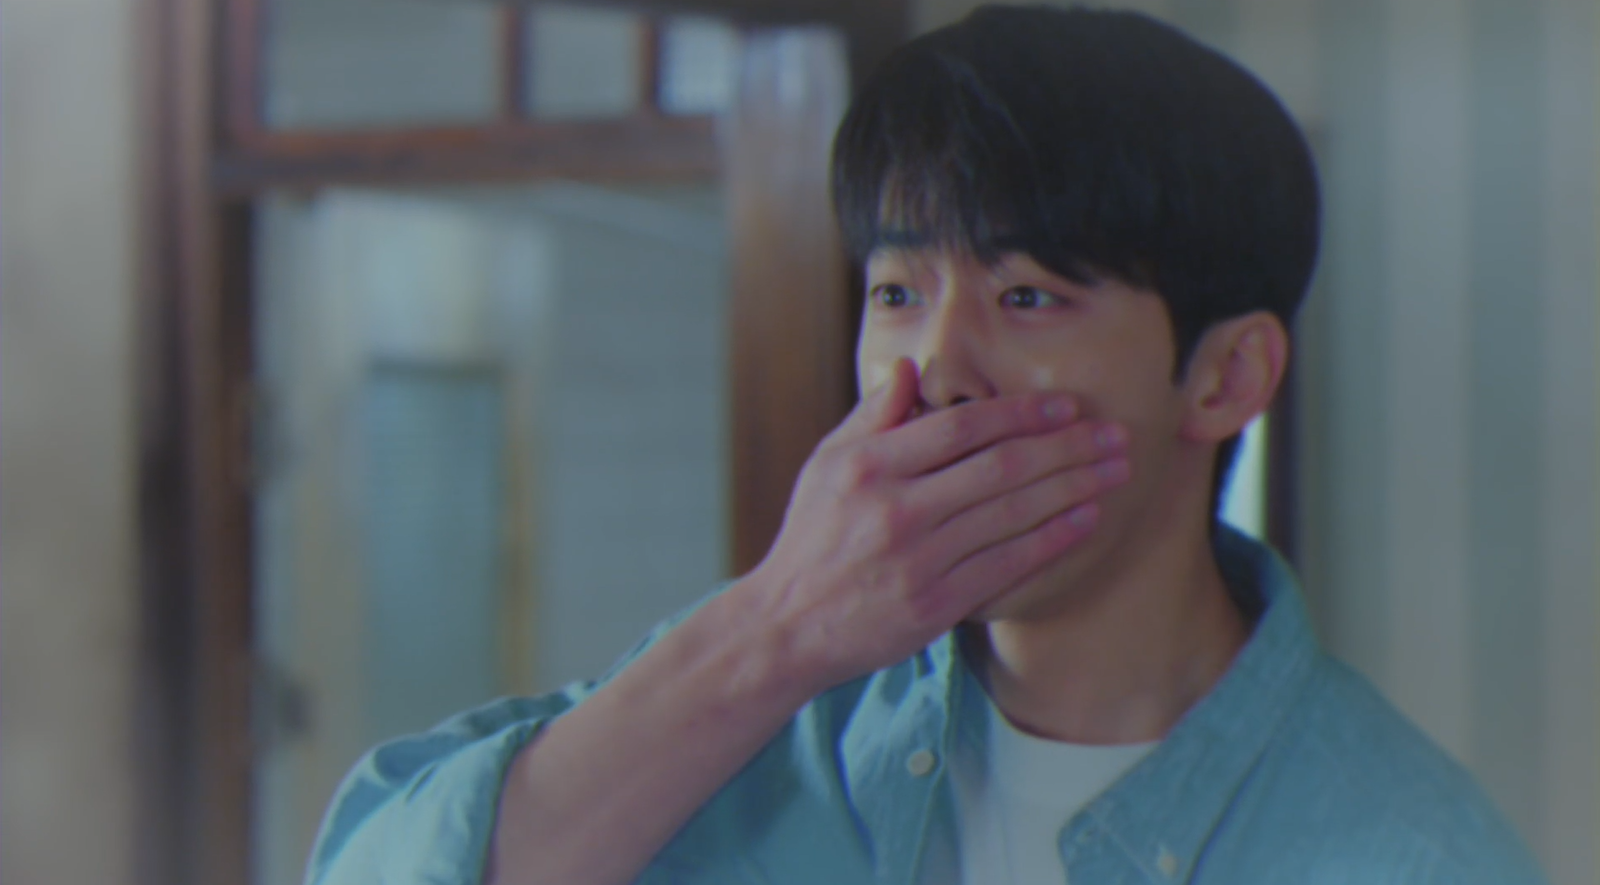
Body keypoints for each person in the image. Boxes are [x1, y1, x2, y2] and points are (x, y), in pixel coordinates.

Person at [305, 6, 1546, 885]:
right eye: (896, 293)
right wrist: (774, 631)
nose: (933, 371)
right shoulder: (762, 720)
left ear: (1225, 378)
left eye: (1027, 297)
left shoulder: (1412, 853)